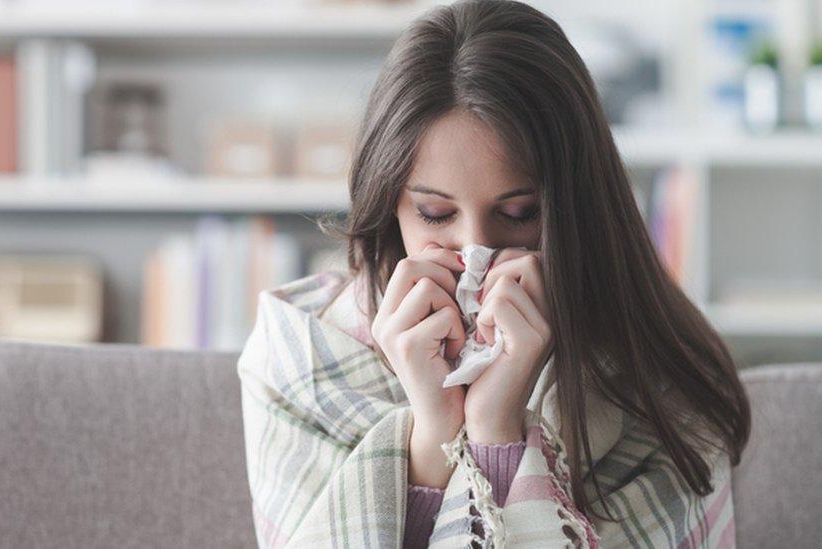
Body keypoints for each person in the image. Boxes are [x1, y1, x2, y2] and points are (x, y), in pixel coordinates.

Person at [236, 1, 750, 547]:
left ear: (577, 207)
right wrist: (432, 434)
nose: (475, 252)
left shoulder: (658, 375)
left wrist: (497, 431)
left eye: (519, 213)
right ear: (388, 204)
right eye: (435, 214)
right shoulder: (301, 358)